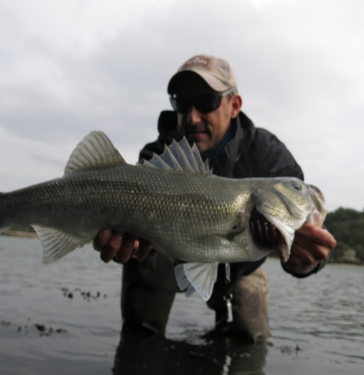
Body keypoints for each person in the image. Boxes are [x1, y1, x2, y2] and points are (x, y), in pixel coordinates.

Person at [93, 55, 336, 342]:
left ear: (234, 106)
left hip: (241, 265)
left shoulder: (268, 155)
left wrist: (304, 261)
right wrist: (124, 240)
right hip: (167, 252)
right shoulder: (158, 153)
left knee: (251, 338)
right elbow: (126, 227)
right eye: (181, 104)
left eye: (207, 102)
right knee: (139, 323)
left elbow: (310, 232)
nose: (192, 117)